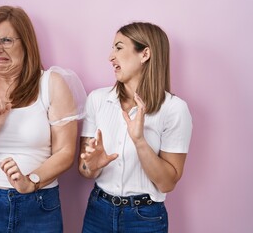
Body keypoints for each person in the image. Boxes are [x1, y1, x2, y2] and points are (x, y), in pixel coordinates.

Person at [0, 5, 86, 232]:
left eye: (6, 40)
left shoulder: (51, 83)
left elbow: (65, 152)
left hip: (39, 204)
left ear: (26, 44)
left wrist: (32, 181)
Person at [78, 22, 193, 232]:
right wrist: (92, 166)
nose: (110, 57)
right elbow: (84, 170)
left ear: (145, 54)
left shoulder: (174, 109)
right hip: (98, 212)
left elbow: (167, 184)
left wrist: (140, 141)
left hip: (145, 219)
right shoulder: (97, 100)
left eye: (119, 48)